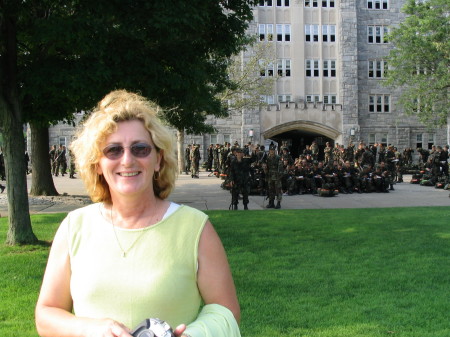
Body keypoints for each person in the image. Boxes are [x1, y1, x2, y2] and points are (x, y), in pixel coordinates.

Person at [35, 90, 241, 337]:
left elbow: (226, 310)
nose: (127, 160)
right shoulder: (75, 227)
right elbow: (46, 314)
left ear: (158, 160)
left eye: (140, 148)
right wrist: (92, 329)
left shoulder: (195, 227)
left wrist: (191, 335)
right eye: (113, 150)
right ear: (97, 163)